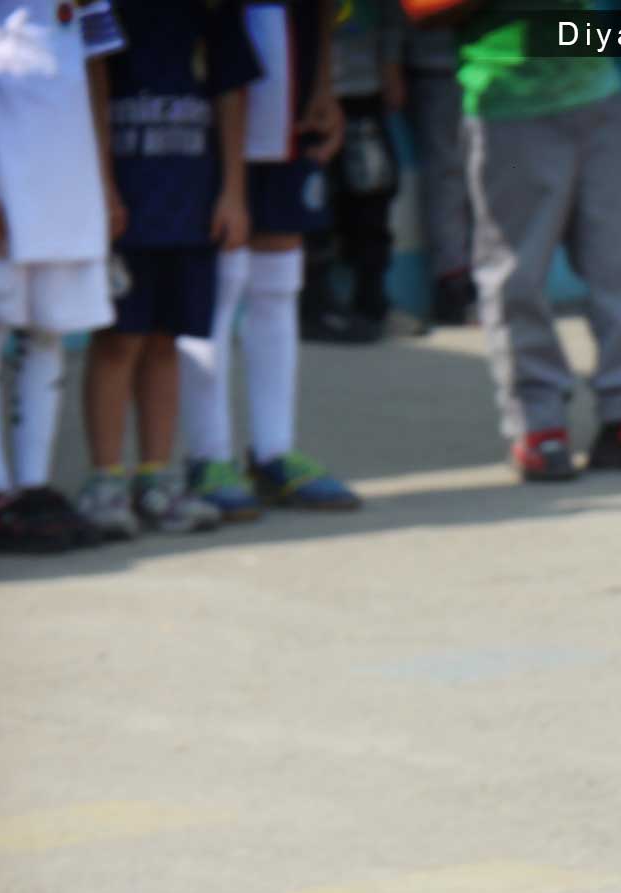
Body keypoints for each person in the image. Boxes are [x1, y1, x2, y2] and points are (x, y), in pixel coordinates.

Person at [399, 0, 621, 481]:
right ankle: (537, 424)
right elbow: (422, 10)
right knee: (515, 276)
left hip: (597, 95)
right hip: (507, 108)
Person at [0, 0, 124, 553]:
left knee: (49, 332)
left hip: (66, 177)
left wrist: (104, 179)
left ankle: (32, 486)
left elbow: (95, 69)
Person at [77, 0, 258, 539]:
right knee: (118, 341)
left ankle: (157, 477)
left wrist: (233, 192)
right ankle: (106, 481)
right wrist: (102, 186)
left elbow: (232, 94)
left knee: (165, 342)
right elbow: (91, 87)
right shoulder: (107, 10)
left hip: (191, 204)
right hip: (128, 206)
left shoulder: (211, 10)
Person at [179, 0, 363, 518]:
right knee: (219, 280)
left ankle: (273, 452)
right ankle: (208, 456)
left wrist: (323, 84)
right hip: (210, 107)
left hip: (288, 101)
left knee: (279, 277)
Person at [303, 0, 405, 344]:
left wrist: (390, 65)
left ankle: (372, 301)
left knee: (374, 192)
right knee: (316, 201)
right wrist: (321, 86)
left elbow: (391, 15)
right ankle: (317, 305)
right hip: (312, 94)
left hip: (365, 88)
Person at [401, 22, 473, 326]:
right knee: (447, 176)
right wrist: (390, 60)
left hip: (498, 69)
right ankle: (453, 286)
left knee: (492, 174)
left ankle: (485, 282)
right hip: (438, 66)